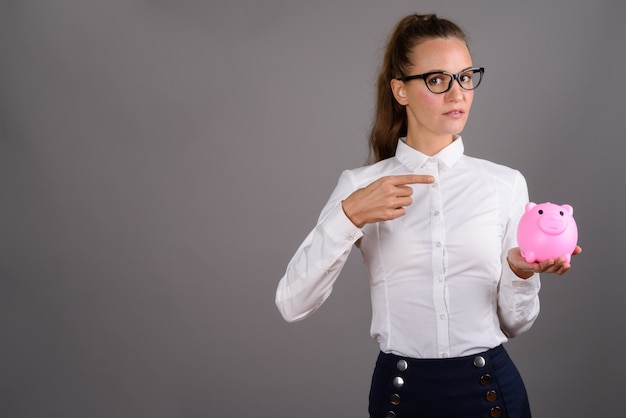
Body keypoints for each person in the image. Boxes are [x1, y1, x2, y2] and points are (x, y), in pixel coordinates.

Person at [275, 13, 581, 418]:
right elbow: (292, 304)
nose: (457, 95)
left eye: (466, 77)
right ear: (400, 90)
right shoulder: (359, 186)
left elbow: (516, 324)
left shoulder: (504, 185)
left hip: (491, 394)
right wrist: (349, 217)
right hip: (401, 398)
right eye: (437, 80)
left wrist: (520, 274)